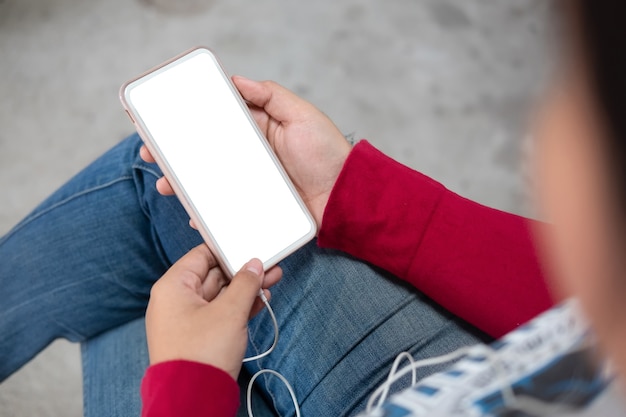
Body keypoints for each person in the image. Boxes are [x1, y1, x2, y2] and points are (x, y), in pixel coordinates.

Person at [1, 0, 624, 415]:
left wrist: (188, 383)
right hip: (482, 378)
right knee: (167, 196)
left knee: (148, 265)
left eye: (571, 87)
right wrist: (353, 194)